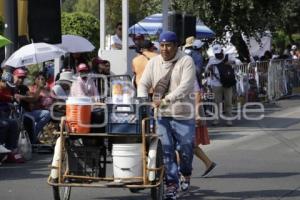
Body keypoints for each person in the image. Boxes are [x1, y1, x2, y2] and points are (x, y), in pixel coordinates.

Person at [138, 31, 195, 200]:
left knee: (186, 148)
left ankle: (185, 172)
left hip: (183, 115)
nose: (165, 49)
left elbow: (185, 86)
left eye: (168, 45)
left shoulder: (186, 61)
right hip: (162, 116)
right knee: (167, 151)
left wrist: (165, 100)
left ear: (176, 45)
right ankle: (172, 185)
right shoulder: (153, 62)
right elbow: (143, 83)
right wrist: (142, 99)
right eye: (162, 45)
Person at [205, 44, 241, 126]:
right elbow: (206, 70)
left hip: (228, 83)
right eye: (216, 54)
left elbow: (239, 62)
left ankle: (229, 120)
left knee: (228, 102)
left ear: (222, 51)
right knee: (217, 102)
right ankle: (216, 119)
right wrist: (209, 68)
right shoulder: (212, 60)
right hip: (216, 84)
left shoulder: (228, 57)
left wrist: (231, 62)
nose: (218, 55)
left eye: (219, 53)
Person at [13, 69, 51, 144]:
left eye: (23, 78)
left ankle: (32, 138)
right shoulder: (11, 87)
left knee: (47, 114)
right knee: (30, 119)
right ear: (14, 76)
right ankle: (32, 140)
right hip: (16, 113)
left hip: (27, 112)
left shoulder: (24, 87)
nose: (21, 80)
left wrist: (39, 88)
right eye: (19, 77)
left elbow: (33, 99)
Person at [0, 71, 25, 163]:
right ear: (2, 81)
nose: (8, 86)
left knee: (14, 123)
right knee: (4, 124)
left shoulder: (7, 89)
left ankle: (10, 149)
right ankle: (1, 148)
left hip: (3, 114)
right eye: (7, 84)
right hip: (2, 116)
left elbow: (10, 98)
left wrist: (11, 102)